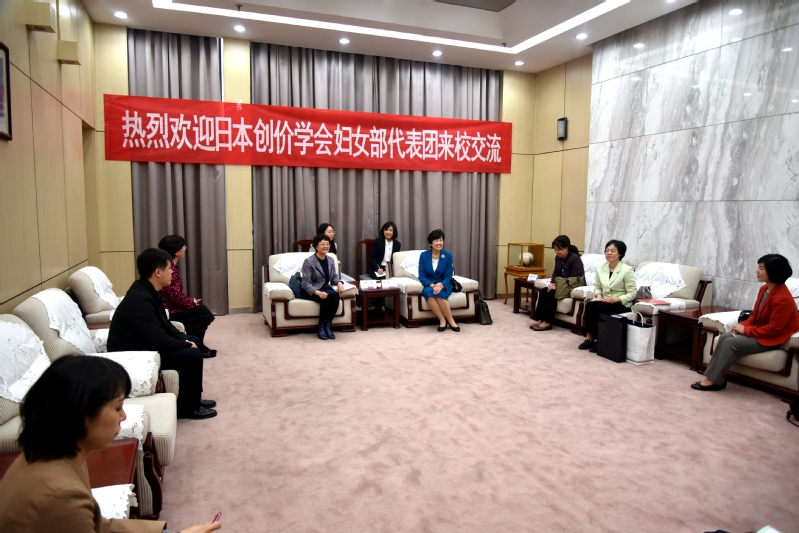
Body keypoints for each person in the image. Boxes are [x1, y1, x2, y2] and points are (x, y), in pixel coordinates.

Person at [0, 355, 222, 533]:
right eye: (117, 407)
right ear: (80, 414)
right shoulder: (60, 496)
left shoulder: (55, 454)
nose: (123, 416)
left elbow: (97, 524)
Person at [108, 249, 217, 420]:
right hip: (135, 352)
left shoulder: (149, 290)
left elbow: (165, 324)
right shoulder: (140, 299)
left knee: (193, 340)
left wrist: (184, 339)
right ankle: (188, 408)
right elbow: (158, 338)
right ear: (158, 272)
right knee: (193, 354)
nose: (172, 272)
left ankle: (193, 398)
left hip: (145, 343)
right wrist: (183, 345)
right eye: (169, 268)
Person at [693, 254, 799, 391]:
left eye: (761, 268)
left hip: (773, 339)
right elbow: (755, 316)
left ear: (773, 271)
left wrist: (746, 330)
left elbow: (774, 330)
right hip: (761, 332)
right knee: (725, 337)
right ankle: (717, 379)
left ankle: (713, 380)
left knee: (731, 343)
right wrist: (742, 326)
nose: (757, 271)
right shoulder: (764, 289)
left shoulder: (782, 298)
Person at [158, 235, 217, 358]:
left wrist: (190, 302)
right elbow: (174, 296)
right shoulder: (171, 270)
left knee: (201, 311)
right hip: (170, 310)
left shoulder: (169, 267)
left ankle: (199, 344)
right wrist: (191, 302)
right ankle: (197, 346)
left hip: (172, 307)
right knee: (203, 313)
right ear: (176, 252)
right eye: (183, 246)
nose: (185, 248)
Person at [578, 240, 636, 352]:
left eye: (612, 251)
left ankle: (600, 340)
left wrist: (615, 299)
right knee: (590, 305)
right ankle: (589, 339)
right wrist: (599, 296)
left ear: (620, 253)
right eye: (607, 250)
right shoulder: (601, 267)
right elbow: (598, 286)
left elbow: (632, 293)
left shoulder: (627, 270)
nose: (609, 253)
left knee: (599, 308)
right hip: (604, 300)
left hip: (621, 303)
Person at [530, 235, 585, 332]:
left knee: (552, 293)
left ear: (566, 248)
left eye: (559, 249)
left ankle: (548, 322)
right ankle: (540, 319)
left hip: (571, 286)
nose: (557, 252)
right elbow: (555, 273)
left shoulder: (575, 259)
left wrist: (557, 285)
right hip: (560, 286)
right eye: (555, 249)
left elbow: (575, 279)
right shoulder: (558, 258)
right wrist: (552, 283)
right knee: (544, 291)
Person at [301, 234, 345, 340]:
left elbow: (334, 277)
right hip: (310, 289)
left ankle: (328, 325)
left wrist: (339, 283)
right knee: (328, 297)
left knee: (335, 295)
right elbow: (305, 283)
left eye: (327, 244)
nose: (325, 246)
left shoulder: (330, 260)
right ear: (316, 246)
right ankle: (321, 326)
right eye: (322, 244)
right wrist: (318, 292)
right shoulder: (308, 261)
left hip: (325, 287)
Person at [418, 229, 460, 332]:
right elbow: (422, 275)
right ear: (431, 243)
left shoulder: (448, 255)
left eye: (441, 240)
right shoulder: (424, 255)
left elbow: (449, 275)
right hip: (429, 284)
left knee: (439, 293)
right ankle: (442, 320)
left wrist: (440, 285)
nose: (439, 243)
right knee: (429, 293)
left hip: (444, 283)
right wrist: (431, 285)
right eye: (436, 240)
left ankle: (451, 320)